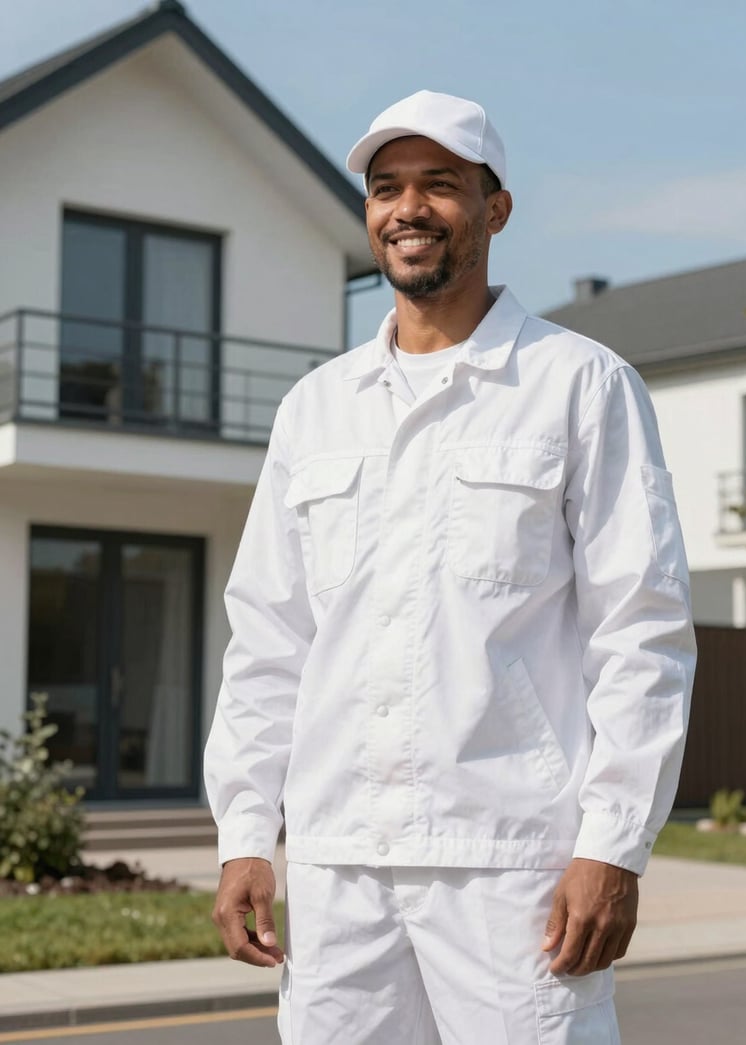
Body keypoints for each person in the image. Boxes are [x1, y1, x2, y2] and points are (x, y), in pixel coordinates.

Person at [204, 90, 696, 1044]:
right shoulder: (316, 409)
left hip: (512, 869)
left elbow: (641, 629)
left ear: (495, 208)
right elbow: (269, 640)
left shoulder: (580, 385)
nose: (408, 208)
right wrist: (243, 836)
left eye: (441, 185)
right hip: (340, 868)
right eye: (387, 188)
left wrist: (614, 845)